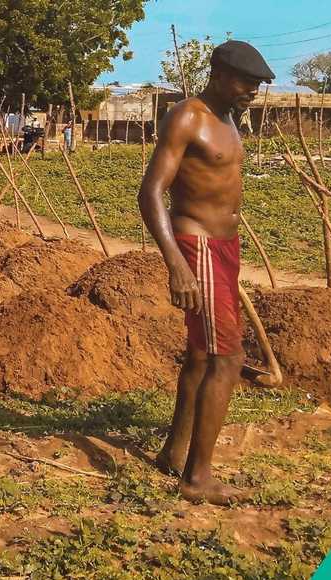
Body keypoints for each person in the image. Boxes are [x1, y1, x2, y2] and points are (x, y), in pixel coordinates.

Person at [137, 40, 274, 505]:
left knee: (201, 353)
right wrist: (175, 261)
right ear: (218, 73)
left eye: (257, 85)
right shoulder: (187, 117)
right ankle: (197, 478)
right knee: (226, 360)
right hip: (197, 245)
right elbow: (151, 191)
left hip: (224, 246)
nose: (253, 91)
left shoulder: (230, 119)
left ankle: (175, 453)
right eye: (247, 82)